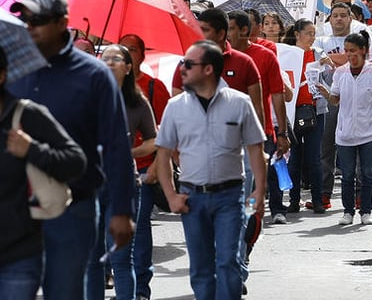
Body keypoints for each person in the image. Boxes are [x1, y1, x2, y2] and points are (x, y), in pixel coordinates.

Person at [9, 0, 136, 300]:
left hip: (72, 207)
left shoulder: (95, 75)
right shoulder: (12, 70)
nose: (30, 27)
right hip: (14, 210)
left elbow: (117, 145)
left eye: (37, 20)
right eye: (25, 20)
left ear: (62, 22)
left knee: (64, 293)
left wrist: (122, 211)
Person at [156, 41, 266, 300]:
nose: (182, 69)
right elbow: (163, 155)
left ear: (208, 69)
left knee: (228, 261)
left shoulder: (239, 103)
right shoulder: (176, 106)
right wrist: (171, 195)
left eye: (189, 64)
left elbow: (255, 148)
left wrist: (259, 191)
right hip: (191, 198)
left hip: (230, 196)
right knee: (201, 267)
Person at [0, 44, 86, 300]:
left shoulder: (26, 115)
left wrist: (32, 150)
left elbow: (75, 161)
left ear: (2, 75)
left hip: (18, 255)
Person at [87, 45, 157, 300]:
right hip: (90, 183)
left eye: (117, 58)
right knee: (92, 259)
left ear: (128, 68)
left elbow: (153, 140)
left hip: (124, 184)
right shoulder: (88, 97)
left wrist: (130, 152)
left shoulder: (138, 102)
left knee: (120, 257)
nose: (109, 62)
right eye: (104, 58)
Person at [118, 34, 170, 300]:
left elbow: (166, 133)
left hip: (143, 170)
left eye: (132, 49)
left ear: (142, 54)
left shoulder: (153, 88)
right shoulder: (104, 88)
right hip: (111, 172)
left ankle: (140, 290)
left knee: (138, 230)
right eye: (121, 50)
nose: (126, 54)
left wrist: (157, 167)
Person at [226, 11, 291, 224]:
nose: (227, 34)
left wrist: (282, 132)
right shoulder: (216, 59)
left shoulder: (265, 56)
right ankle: (242, 222)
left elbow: (278, 96)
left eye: (231, 29)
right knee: (237, 186)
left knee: (259, 181)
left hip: (259, 133)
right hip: (225, 136)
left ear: (245, 30)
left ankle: (258, 217)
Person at [320, 32, 372, 226]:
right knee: (347, 175)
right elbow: (335, 99)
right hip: (345, 134)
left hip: (368, 132)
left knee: (367, 174)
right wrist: (326, 94)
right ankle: (348, 211)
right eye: (347, 51)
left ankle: (366, 210)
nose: (350, 55)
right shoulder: (341, 72)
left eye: (353, 51)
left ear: (363, 51)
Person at [284, 19, 329, 215]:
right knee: (295, 157)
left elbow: (329, 81)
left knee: (314, 158)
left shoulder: (319, 54)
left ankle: (317, 200)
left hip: (315, 110)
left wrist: (328, 67)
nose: (312, 37)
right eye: (309, 33)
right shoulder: (288, 54)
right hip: (293, 111)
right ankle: (294, 200)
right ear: (297, 34)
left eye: (314, 33)